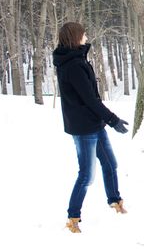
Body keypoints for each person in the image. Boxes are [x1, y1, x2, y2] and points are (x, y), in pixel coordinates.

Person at [53, 22, 129, 233]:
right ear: (75, 37)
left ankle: (115, 201)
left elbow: (90, 99)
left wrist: (106, 121)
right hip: (84, 128)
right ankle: (73, 217)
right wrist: (113, 120)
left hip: (94, 123)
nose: (86, 36)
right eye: (83, 34)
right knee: (87, 175)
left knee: (110, 163)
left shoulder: (75, 60)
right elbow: (90, 99)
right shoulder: (74, 66)